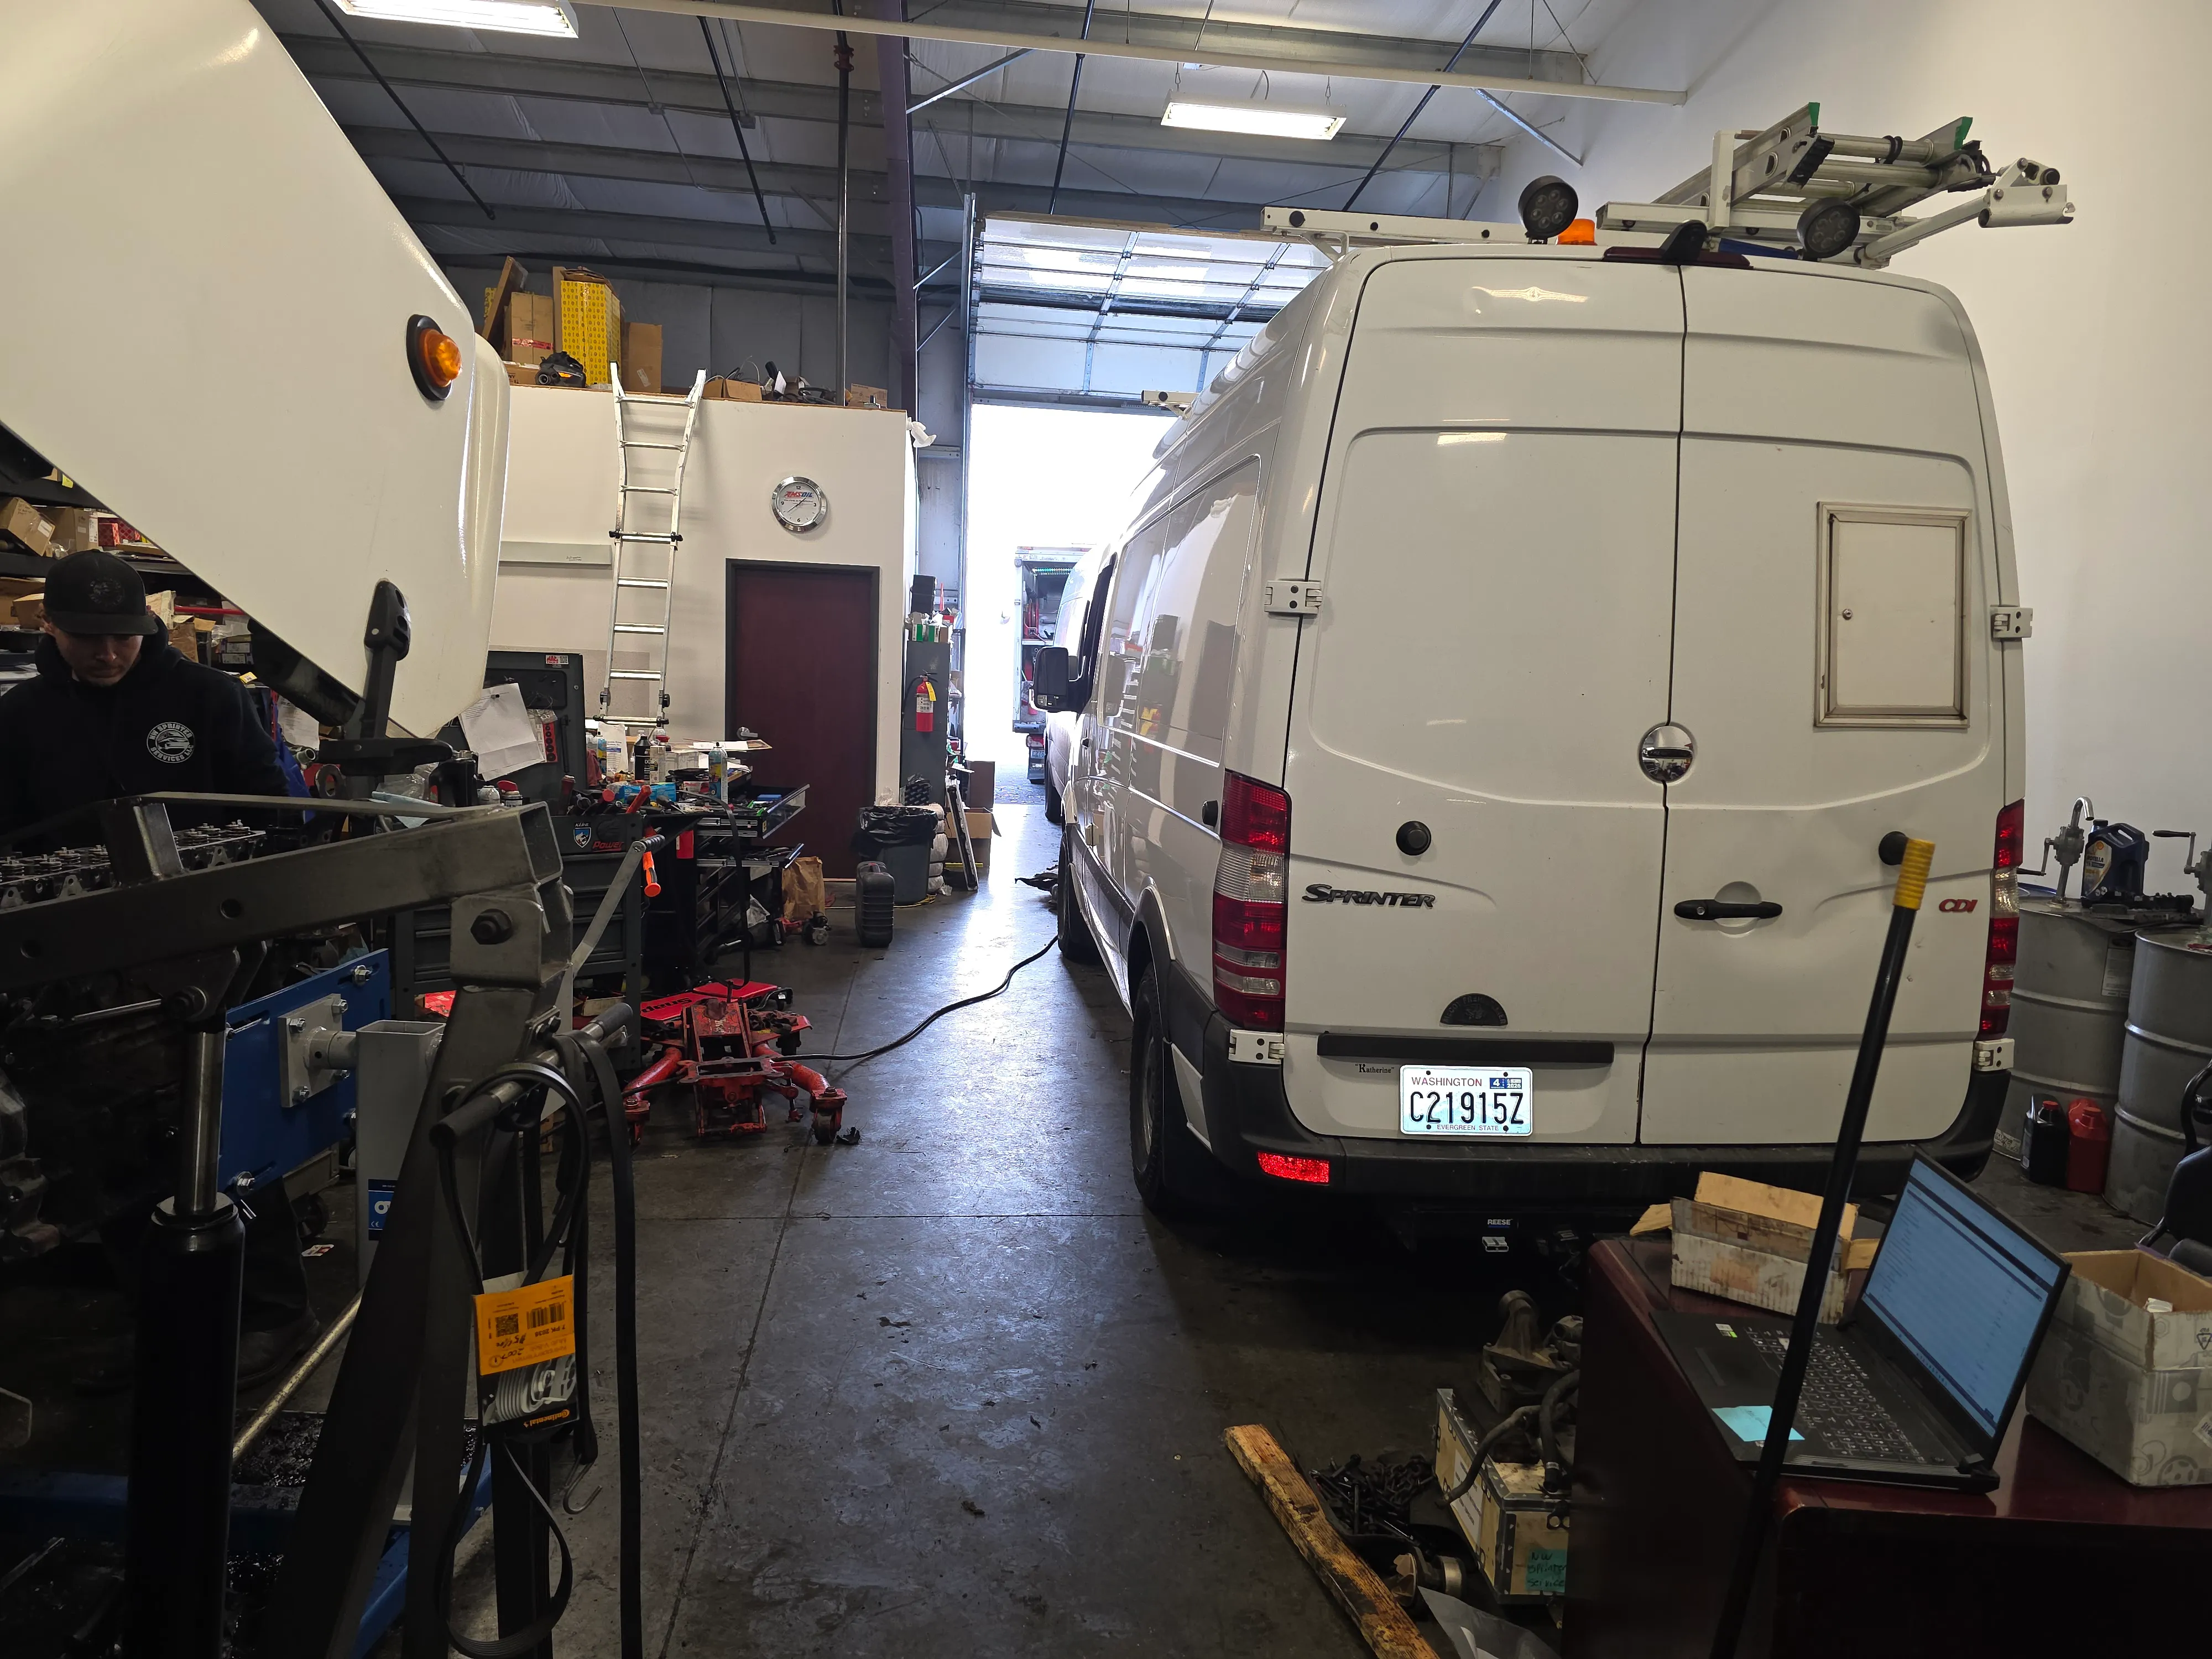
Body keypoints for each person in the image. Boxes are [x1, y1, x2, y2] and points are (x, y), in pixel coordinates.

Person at [0, 549, 319, 1389]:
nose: (108, 653)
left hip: (217, 959)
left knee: (229, 1134)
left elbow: (273, 812)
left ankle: (273, 1314)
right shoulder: (22, 718)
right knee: (109, 1150)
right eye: (87, 638)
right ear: (50, 629)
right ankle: (168, 1315)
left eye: (124, 636)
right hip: (85, 971)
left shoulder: (208, 700)